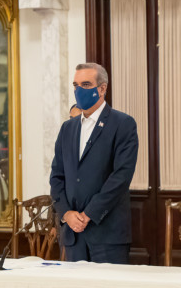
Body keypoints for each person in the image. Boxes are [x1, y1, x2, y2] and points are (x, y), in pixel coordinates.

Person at [49, 63, 139, 263]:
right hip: (73, 236)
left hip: (107, 234)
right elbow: (56, 177)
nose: (79, 90)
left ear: (102, 88)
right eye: (76, 85)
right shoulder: (67, 128)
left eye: (86, 84)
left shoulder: (123, 124)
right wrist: (67, 213)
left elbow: (121, 176)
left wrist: (88, 214)